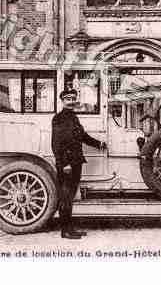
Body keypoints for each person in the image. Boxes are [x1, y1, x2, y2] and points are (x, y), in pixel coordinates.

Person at [51, 88, 107, 239]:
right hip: (67, 164)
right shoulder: (59, 118)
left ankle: (70, 228)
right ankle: (65, 231)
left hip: (76, 162)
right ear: (62, 101)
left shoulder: (73, 117)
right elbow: (56, 144)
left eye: (73, 98)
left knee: (70, 197)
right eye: (68, 99)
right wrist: (64, 164)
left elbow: (82, 136)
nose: (71, 101)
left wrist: (99, 144)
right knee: (66, 197)